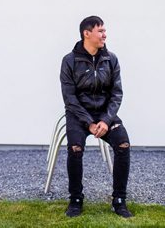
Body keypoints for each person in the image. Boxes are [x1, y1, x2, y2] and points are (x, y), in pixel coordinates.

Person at [60, 16, 132, 218]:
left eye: (104, 31)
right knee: (75, 148)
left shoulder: (112, 59)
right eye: (100, 31)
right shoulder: (69, 61)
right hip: (78, 115)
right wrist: (89, 123)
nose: (104, 35)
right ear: (87, 33)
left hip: (104, 115)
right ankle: (75, 199)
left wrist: (106, 120)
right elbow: (69, 98)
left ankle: (119, 200)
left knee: (123, 144)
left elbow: (117, 94)